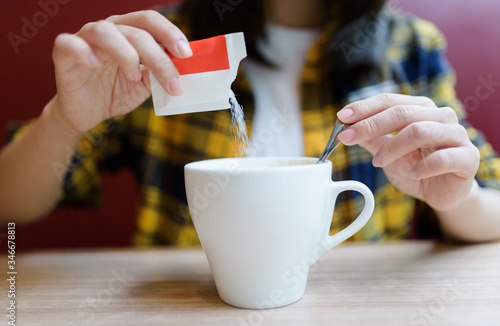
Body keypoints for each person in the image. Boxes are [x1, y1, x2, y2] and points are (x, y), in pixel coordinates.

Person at [1, 0, 499, 246]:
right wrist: (62, 121)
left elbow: (489, 202)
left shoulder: (409, 46)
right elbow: (9, 209)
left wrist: (459, 197)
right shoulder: (159, 48)